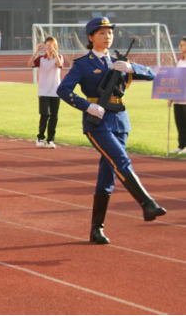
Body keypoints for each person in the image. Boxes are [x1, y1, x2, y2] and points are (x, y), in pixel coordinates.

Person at [58, 17, 166, 245]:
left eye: (110, 33)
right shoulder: (83, 64)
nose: (107, 37)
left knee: (108, 175)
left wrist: (132, 68)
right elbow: (63, 89)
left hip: (120, 121)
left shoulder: (118, 61)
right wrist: (87, 106)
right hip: (98, 122)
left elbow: (152, 74)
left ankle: (96, 229)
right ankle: (147, 203)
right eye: (102, 33)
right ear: (91, 37)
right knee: (121, 160)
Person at [28, 37, 64, 149]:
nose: (49, 46)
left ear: (55, 46)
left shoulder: (59, 57)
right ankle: (40, 137)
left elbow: (59, 65)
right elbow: (30, 65)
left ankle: (50, 140)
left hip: (55, 91)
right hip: (43, 91)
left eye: (51, 44)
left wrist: (55, 53)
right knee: (44, 115)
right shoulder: (41, 59)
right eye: (47, 44)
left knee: (54, 116)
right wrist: (35, 52)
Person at [170, 37, 186, 155]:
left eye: (182, 45)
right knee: (180, 123)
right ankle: (181, 145)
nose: (180, 47)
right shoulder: (179, 62)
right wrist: (170, 96)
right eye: (180, 45)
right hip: (178, 98)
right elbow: (175, 80)